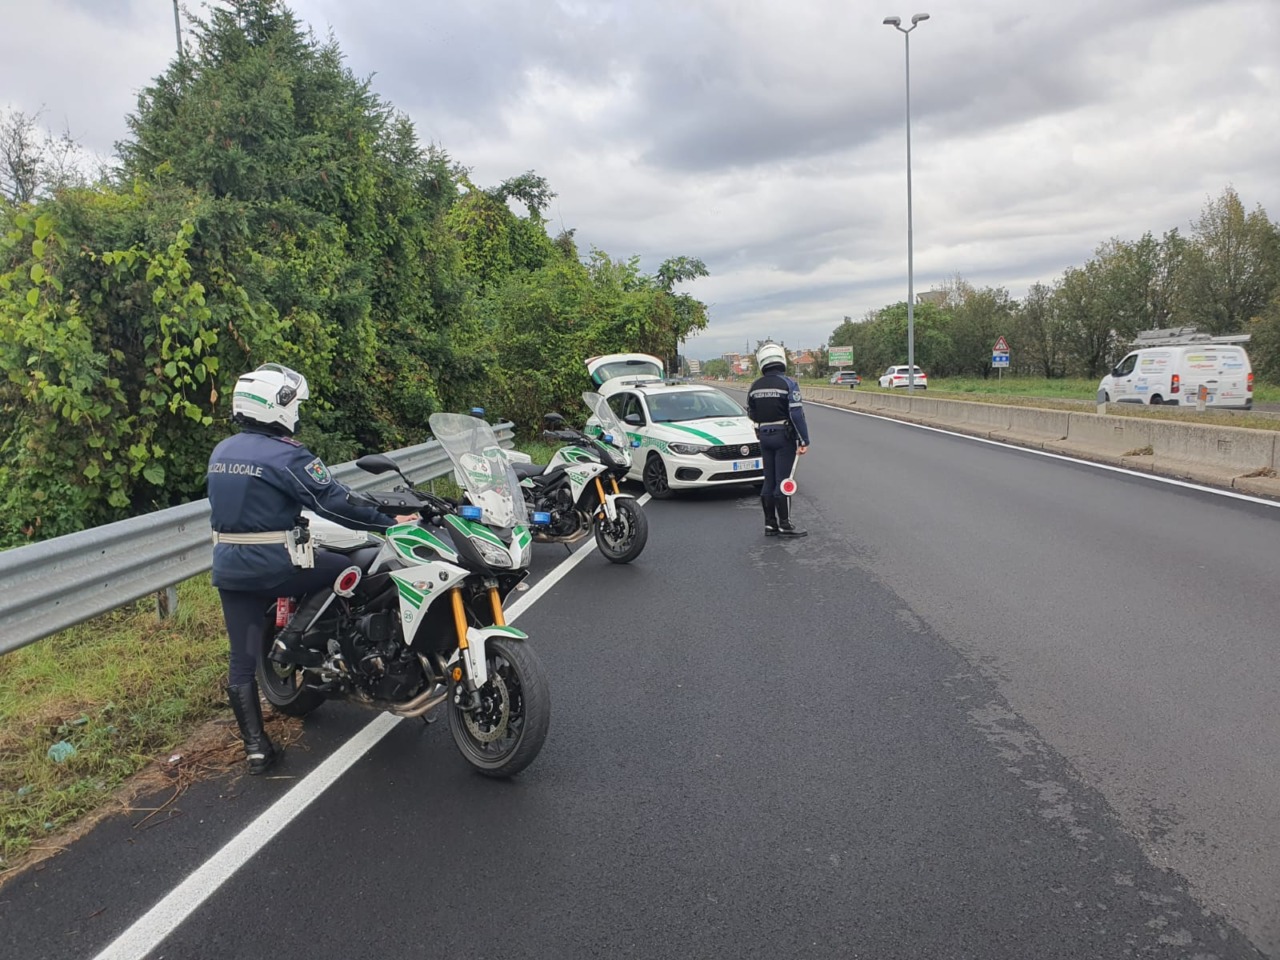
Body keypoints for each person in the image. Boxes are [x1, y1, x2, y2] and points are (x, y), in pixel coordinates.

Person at [207, 363, 413, 774]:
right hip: (276, 566)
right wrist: (389, 523)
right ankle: (292, 641)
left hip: (229, 569)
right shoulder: (285, 454)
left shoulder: (222, 452)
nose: (297, 412)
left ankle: (256, 749)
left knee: (241, 661)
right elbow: (333, 501)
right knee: (347, 570)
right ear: (275, 405)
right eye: (294, 404)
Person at [747, 343, 810, 537]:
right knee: (783, 480)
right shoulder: (788, 384)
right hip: (784, 436)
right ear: (781, 360)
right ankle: (785, 524)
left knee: (769, 479)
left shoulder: (754, 386)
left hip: (764, 436)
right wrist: (804, 440)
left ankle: (770, 524)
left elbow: (752, 413)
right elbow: (796, 414)